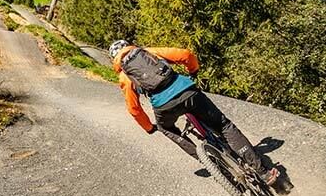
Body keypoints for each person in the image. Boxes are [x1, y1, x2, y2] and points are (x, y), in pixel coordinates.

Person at [108, 40, 278, 185]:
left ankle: (214, 164)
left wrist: (149, 128)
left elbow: (134, 109)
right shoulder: (149, 52)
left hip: (164, 107)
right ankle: (263, 172)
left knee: (167, 129)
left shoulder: (124, 76)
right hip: (187, 92)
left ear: (114, 59)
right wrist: (193, 70)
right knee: (224, 125)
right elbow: (185, 55)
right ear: (130, 47)